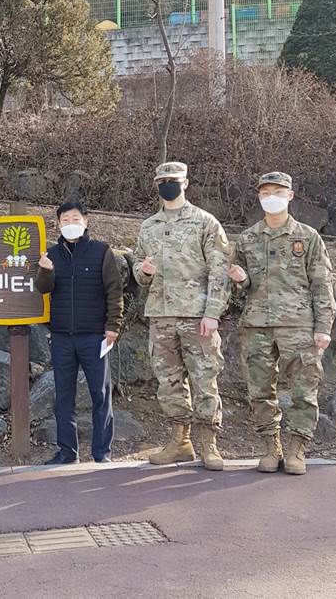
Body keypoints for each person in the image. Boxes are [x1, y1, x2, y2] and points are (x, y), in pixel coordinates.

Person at [228, 172, 336, 475]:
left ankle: (296, 448)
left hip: (298, 326)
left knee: (304, 390)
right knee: (259, 390)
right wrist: (240, 280)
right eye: (266, 192)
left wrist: (323, 327)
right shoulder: (247, 239)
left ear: (290, 195)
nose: (271, 197)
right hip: (257, 326)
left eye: (278, 192)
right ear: (259, 196)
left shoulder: (307, 237)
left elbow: (322, 285)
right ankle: (270, 446)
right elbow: (238, 290)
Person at [133, 162, 230, 471]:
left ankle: (209, 444)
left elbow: (220, 271)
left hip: (196, 316)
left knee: (204, 379)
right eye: (162, 181)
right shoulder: (149, 226)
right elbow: (138, 265)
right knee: (169, 383)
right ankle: (180, 442)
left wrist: (213, 313)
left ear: (185, 183)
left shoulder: (205, 222)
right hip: (161, 315)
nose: (167, 185)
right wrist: (143, 271)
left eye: (173, 180)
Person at [35, 201, 124, 465]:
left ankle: (102, 453)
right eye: (65, 220)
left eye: (75, 219)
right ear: (58, 224)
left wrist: (113, 326)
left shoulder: (101, 251)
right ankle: (67, 452)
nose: (70, 224)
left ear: (86, 221)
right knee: (63, 396)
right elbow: (43, 288)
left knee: (101, 394)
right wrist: (45, 271)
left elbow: (114, 290)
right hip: (62, 336)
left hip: (95, 336)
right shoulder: (52, 254)